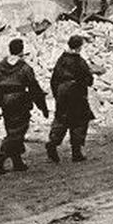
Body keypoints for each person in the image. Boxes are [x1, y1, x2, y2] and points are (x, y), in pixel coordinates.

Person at [0, 38, 48, 174]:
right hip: (20, 101)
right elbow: (34, 88)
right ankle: (0, 158)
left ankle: (17, 162)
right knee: (18, 132)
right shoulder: (24, 68)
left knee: (11, 130)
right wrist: (42, 106)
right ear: (22, 51)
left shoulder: (0, 67)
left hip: (5, 101)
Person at [45, 34, 95, 163]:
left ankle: (53, 142)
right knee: (80, 120)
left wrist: (57, 95)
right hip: (76, 93)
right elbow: (89, 80)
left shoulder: (61, 60)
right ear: (79, 47)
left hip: (62, 93)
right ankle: (76, 152)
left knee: (61, 118)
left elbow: (53, 79)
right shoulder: (80, 61)